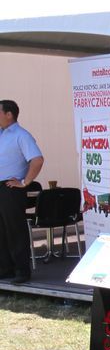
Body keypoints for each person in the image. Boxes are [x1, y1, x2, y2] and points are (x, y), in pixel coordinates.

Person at [0, 99, 44, 284]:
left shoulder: (21, 135)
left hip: (10, 188)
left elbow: (37, 160)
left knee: (15, 229)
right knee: (1, 230)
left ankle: (22, 270)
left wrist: (25, 182)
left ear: (9, 114)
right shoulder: (1, 134)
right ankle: (5, 269)